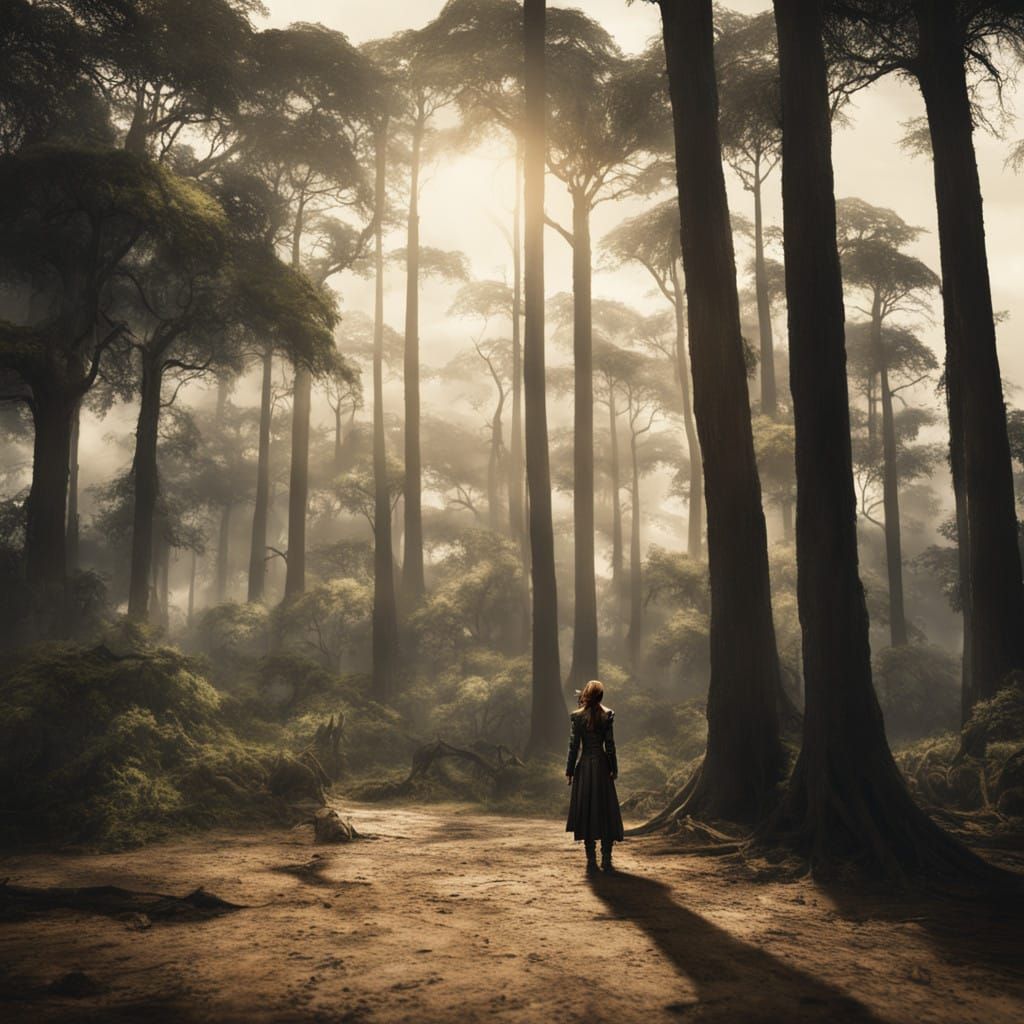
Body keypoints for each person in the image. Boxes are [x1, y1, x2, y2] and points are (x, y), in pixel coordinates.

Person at [565, 679, 624, 873]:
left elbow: (573, 747)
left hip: (584, 769)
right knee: (606, 811)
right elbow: (610, 746)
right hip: (601, 768)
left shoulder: (577, 717)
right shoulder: (607, 715)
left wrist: (570, 771)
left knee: (587, 810)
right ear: (601, 696)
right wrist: (613, 768)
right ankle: (606, 859)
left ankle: (591, 860)